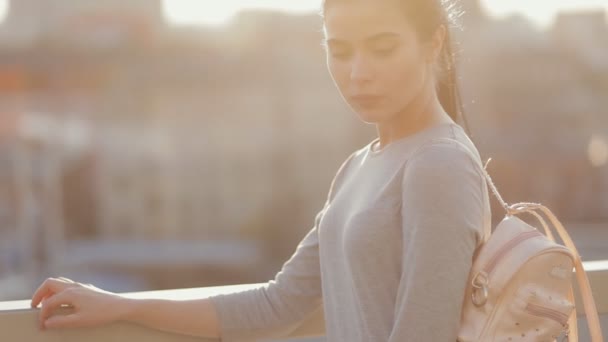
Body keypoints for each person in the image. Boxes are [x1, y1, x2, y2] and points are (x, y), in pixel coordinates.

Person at [30, 0, 492, 340]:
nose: (358, 73)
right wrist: (117, 304)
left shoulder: (440, 164)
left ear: (433, 43)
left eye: (382, 49)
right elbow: (277, 304)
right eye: (340, 51)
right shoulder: (360, 166)